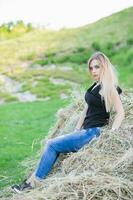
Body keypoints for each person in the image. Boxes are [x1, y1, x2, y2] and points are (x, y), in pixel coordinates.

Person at [11, 51, 125, 193]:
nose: (93, 71)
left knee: (51, 144)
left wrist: (111, 134)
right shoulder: (95, 85)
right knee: (54, 144)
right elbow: (86, 109)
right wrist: (76, 129)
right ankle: (29, 181)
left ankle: (33, 184)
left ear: (104, 67)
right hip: (84, 132)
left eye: (97, 67)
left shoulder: (109, 88)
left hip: (93, 132)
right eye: (91, 68)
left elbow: (121, 112)